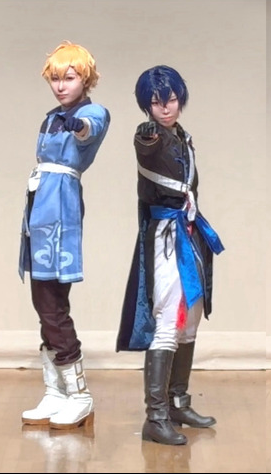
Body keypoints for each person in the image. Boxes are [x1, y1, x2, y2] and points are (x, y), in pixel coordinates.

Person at [115, 65, 224, 446]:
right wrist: (148, 135)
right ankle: (156, 417)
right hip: (165, 237)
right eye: (156, 102)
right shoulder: (149, 135)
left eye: (171, 100)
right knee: (168, 318)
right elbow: (146, 144)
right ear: (146, 105)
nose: (165, 108)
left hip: (188, 234)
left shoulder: (182, 137)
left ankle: (178, 402)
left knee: (190, 319)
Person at [19, 41, 110, 431]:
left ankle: (79, 395)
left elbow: (90, 130)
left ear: (85, 79)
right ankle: (55, 392)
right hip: (39, 208)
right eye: (55, 78)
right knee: (43, 302)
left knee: (53, 303)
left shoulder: (92, 112)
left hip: (61, 209)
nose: (60, 85)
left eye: (69, 78)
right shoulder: (51, 117)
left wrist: (78, 125)